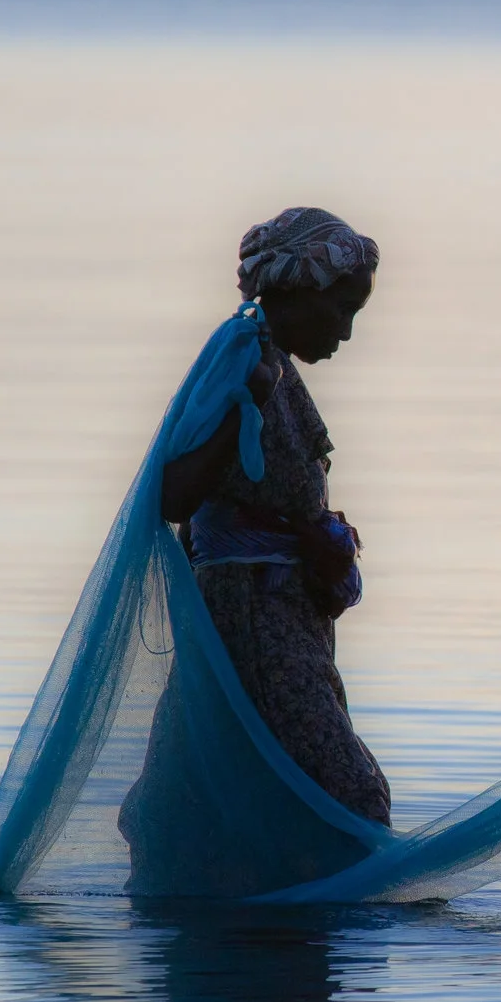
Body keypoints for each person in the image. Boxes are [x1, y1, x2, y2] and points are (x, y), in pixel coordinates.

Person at [150, 206, 391, 826]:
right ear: (298, 289)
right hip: (254, 622)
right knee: (352, 796)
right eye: (341, 309)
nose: (345, 331)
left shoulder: (270, 362)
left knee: (253, 793)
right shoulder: (243, 361)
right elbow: (175, 495)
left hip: (283, 618)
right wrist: (243, 405)